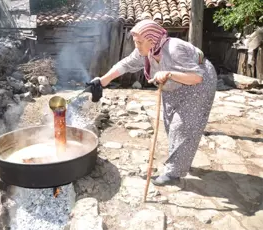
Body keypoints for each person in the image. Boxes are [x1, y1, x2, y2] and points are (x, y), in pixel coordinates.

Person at [86, 19, 217, 186]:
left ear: (152, 39)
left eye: (140, 42)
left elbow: (197, 77)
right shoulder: (146, 51)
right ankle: (181, 161)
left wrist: (169, 73)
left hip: (198, 84)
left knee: (183, 125)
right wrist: (102, 81)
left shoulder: (173, 48)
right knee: (171, 124)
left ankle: (173, 173)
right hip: (173, 85)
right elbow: (125, 64)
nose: (137, 46)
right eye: (135, 42)